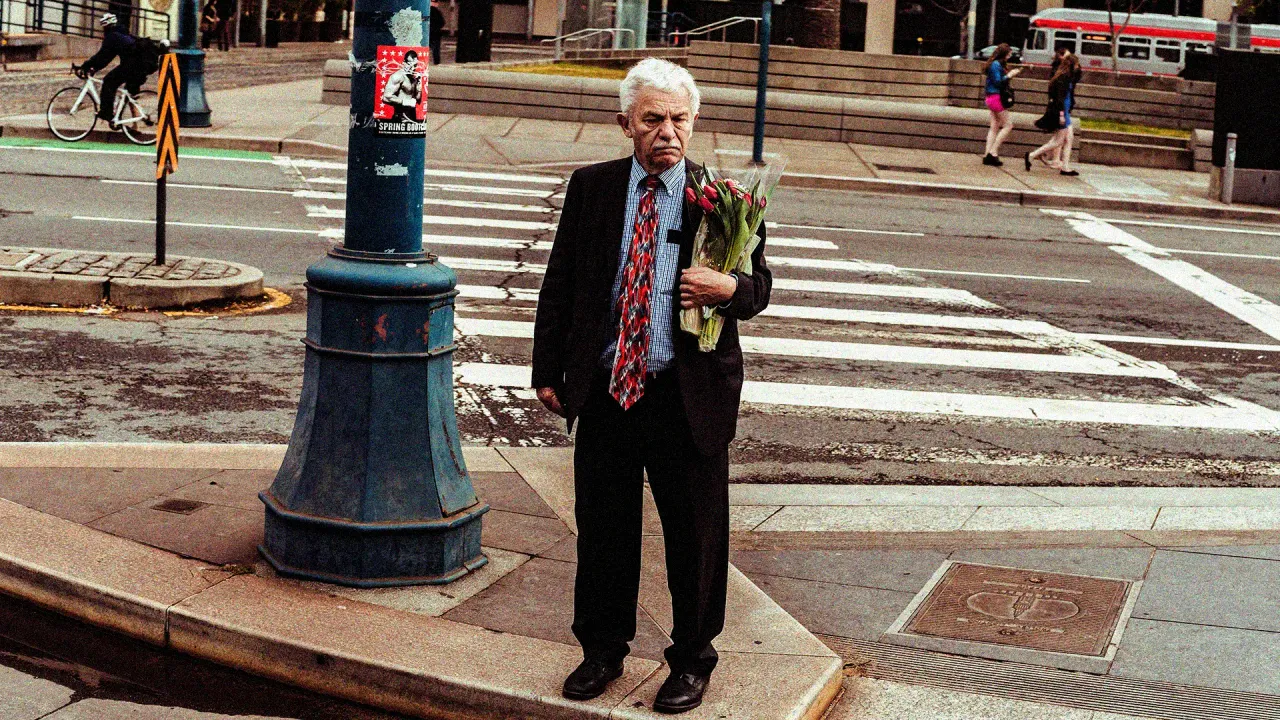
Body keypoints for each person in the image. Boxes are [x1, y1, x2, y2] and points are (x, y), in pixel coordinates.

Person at [531, 57, 770, 714]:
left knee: (696, 537)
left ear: (693, 122)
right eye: (653, 119)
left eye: (679, 119)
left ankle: (692, 659)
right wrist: (548, 370)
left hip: (685, 396)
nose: (668, 131)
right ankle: (602, 651)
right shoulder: (593, 188)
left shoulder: (724, 196)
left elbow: (759, 290)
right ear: (626, 124)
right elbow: (561, 282)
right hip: (609, 389)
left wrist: (728, 287)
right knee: (604, 531)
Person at [82, 13, 149, 126]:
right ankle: (135, 125)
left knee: (109, 81)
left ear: (106, 26)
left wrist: (87, 65)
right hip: (140, 66)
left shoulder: (112, 37)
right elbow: (106, 58)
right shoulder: (122, 34)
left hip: (132, 66)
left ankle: (106, 113)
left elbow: (103, 56)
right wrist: (95, 67)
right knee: (129, 93)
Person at [1026, 53, 1080, 176]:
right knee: (1059, 141)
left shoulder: (1062, 76)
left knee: (1068, 139)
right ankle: (1032, 155)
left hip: (1064, 112)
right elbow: (1060, 99)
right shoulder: (1064, 78)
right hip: (1063, 112)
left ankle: (1065, 167)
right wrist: (1062, 116)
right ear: (1072, 65)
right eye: (1076, 64)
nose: (1078, 67)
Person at [982, 43, 1022, 167]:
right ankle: (993, 152)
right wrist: (1010, 75)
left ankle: (987, 154)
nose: (1010, 56)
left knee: (994, 126)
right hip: (996, 97)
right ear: (1004, 54)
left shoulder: (994, 64)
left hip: (991, 97)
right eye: (1009, 54)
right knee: (1008, 125)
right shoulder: (996, 65)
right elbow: (998, 82)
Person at [380, 50, 423, 121]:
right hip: (400, 117)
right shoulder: (398, 76)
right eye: (409, 64)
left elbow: (418, 100)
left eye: (415, 65)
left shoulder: (414, 78)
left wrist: (419, 86)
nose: (412, 68)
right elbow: (386, 97)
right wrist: (406, 102)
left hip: (412, 117)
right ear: (404, 63)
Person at [429, 0, 445, 65]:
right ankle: (436, 62)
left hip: (427, 32)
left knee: (424, 47)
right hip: (436, 32)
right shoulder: (437, 11)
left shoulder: (426, 11)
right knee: (436, 49)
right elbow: (442, 22)